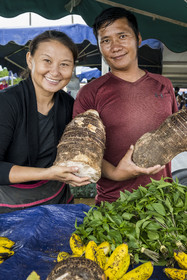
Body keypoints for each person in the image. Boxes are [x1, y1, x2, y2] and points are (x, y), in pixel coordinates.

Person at [73, 7, 178, 205]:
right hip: (113, 205)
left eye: (122, 36)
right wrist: (116, 173)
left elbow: (175, 137)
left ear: (138, 39)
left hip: (162, 202)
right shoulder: (90, 93)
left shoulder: (164, 85)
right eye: (106, 40)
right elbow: (83, 152)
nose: (115, 46)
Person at [0, 30, 90, 213]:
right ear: (30, 60)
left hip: (57, 202)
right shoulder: (7, 103)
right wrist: (49, 173)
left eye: (64, 64)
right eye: (47, 61)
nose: (55, 72)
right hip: (10, 209)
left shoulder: (69, 105)